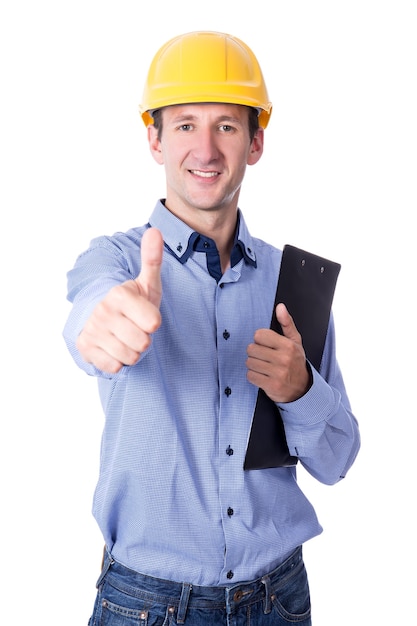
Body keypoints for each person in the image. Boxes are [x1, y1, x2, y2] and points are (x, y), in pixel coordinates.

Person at [63, 30, 360, 626]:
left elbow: (338, 458)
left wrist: (301, 390)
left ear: (255, 143)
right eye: (184, 125)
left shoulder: (290, 281)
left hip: (279, 599)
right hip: (145, 605)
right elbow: (90, 318)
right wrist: (103, 328)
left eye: (226, 125)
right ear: (154, 139)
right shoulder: (117, 263)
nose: (205, 148)